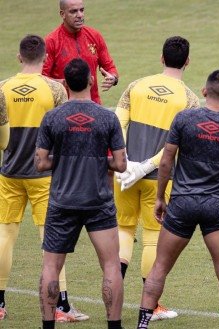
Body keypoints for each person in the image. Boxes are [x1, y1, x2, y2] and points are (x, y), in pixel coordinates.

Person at [137, 70, 219, 329]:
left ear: (204, 91)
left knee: (160, 267)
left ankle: (142, 325)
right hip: (217, 207)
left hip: (183, 202)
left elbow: (166, 161)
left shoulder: (184, 119)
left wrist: (160, 198)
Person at [0, 35, 89, 322]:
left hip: (9, 172)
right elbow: (63, 130)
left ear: (19, 57)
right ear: (46, 58)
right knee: (51, 239)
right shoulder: (54, 89)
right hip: (44, 174)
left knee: (4, 235)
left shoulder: (2, 88)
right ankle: (61, 306)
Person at [113, 36, 200, 321]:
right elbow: (178, 145)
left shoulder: (135, 86)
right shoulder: (189, 100)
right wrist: (145, 166)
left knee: (124, 231)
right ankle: (153, 306)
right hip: (159, 178)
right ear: (187, 61)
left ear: (161, 58)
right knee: (152, 238)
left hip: (124, 175)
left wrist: (126, 161)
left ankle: (113, 299)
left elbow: (118, 122)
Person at [35, 58, 126, 329]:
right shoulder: (107, 117)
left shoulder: (52, 117)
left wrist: (64, 159)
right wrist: (98, 160)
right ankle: (114, 326)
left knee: (52, 265)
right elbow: (120, 164)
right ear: (91, 80)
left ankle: (48, 326)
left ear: (65, 84)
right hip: (98, 201)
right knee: (111, 264)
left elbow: (40, 162)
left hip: (62, 200)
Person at [43, 0, 118, 104]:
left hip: (93, 106)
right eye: (73, 11)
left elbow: (109, 66)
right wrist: (60, 83)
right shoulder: (51, 41)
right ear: (62, 14)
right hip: (63, 108)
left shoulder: (94, 36)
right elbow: (41, 78)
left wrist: (113, 78)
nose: (80, 15)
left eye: (81, 10)